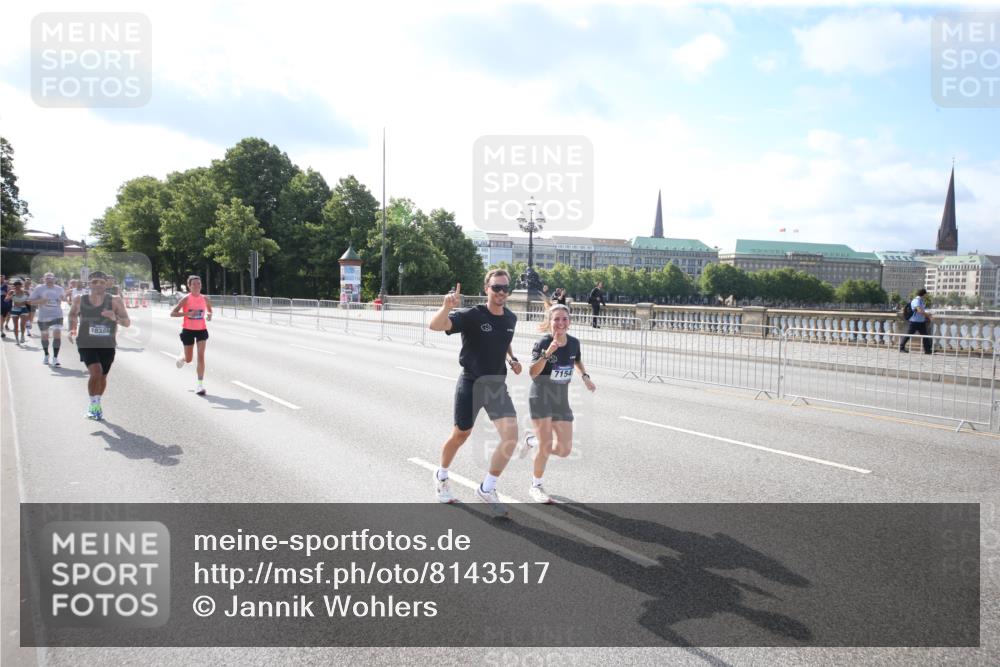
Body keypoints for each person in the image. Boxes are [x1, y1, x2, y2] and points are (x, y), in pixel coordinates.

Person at [428, 270, 522, 516]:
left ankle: (487, 488)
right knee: (461, 435)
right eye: (496, 288)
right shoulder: (472, 315)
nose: (501, 292)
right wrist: (445, 307)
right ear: (486, 289)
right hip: (471, 383)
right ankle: (441, 475)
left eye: (504, 288)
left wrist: (512, 358)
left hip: (496, 385)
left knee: (511, 436)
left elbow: (503, 339)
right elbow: (436, 325)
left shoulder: (511, 318)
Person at [518, 304, 596, 503]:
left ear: (569, 322)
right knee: (545, 445)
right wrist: (548, 352)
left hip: (561, 400)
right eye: (556, 319)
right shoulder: (543, 342)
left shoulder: (574, 343)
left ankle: (530, 441)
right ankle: (536, 485)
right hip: (541, 397)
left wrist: (585, 376)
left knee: (564, 449)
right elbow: (532, 372)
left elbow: (576, 360)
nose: (561, 323)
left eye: (564, 319)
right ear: (549, 322)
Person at [68, 271, 131, 420]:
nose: (98, 285)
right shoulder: (79, 300)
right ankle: (93, 405)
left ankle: (97, 402)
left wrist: (114, 317)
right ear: (89, 284)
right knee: (96, 372)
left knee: (102, 377)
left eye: (101, 282)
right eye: (94, 282)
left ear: (106, 284)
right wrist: (72, 328)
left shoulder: (115, 300)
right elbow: (72, 315)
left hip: (107, 344)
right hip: (86, 342)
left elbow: (127, 323)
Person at [171, 275, 213, 396]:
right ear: (189, 286)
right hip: (188, 330)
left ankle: (200, 385)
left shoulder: (205, 298)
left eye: (198, 284)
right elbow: (172, 313)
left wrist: (209, 315)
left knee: (201, 356)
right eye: (193, 284)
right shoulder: (185, 299)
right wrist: (187, 313)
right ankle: (183, 357)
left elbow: (210, 310)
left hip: (201, 330)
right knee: (189, 359)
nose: (196, 286)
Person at [28, 272, 66, 366]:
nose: (49, 280)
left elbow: (64, 299)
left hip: (57, 315)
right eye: (47, 278)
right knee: (45, 336)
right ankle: (46, 354)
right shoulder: (39, 288)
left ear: (54, 279)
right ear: (44, 279)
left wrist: (63, 298)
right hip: (43, 316)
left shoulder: (59, 289)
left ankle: (55, 358)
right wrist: (40, 301)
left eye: (51, 278)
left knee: (57, 334)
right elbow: (29, 301)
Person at [899, 288, 933, 355]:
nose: (927, 295)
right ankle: (901, 348)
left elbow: (921, 310)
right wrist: (928, 315)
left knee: (925, 336)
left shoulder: (921, 300)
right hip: (914, 322)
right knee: (908, 335)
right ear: (924, 294)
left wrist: (926, 314)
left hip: (921, 322)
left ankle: (927, 350)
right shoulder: (916, 300)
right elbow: (919, 310)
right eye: (926, 294)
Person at [5, 280, 30, 344]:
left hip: (23, 309)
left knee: (22, 324)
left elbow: (30, 301)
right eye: (16, 286)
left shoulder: (26, 292)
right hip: (14, 310)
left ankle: (22, 336)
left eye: (19, 286)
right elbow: (6, 300)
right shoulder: (11, 292)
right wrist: (12, 296)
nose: (17, 287)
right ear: (14, 286)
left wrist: (23, 302)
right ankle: (17, 339)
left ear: (21, 286)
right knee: (15, 326)